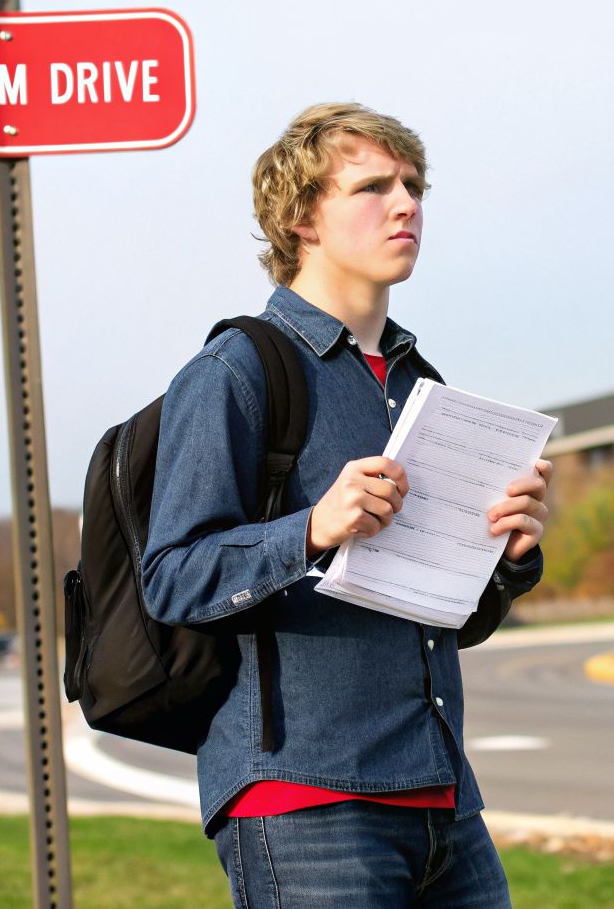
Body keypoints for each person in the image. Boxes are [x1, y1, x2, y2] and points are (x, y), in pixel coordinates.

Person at [141, 101, 549, 908]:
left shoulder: (417, 382)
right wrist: (313, 528)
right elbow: (172, 578)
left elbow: (442, 615)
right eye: (373, 187)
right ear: (302, 219)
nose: (407, 204)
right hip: (305, 804)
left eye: (413, 185)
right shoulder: (234, 372)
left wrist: (509, 559)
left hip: (443, 799)